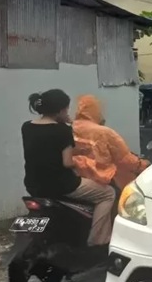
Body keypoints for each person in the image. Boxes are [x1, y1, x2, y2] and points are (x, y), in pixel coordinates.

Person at [22, 90, 116, 246]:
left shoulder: (26, 127)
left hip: (33, 185)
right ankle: (98, 241)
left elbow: (45, 149)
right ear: (60, 110)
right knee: (107, 193)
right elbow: (67, 162)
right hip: (62, 185)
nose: (68, 112)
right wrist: (85, 160)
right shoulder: (62, 131)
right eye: (66, 109)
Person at [72, 95, 148, 191]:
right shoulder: (104, 132)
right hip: (102, 177)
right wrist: (143, 165)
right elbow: (125, 160)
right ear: (96, 111)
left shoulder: (71, 127)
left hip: (77, 176)